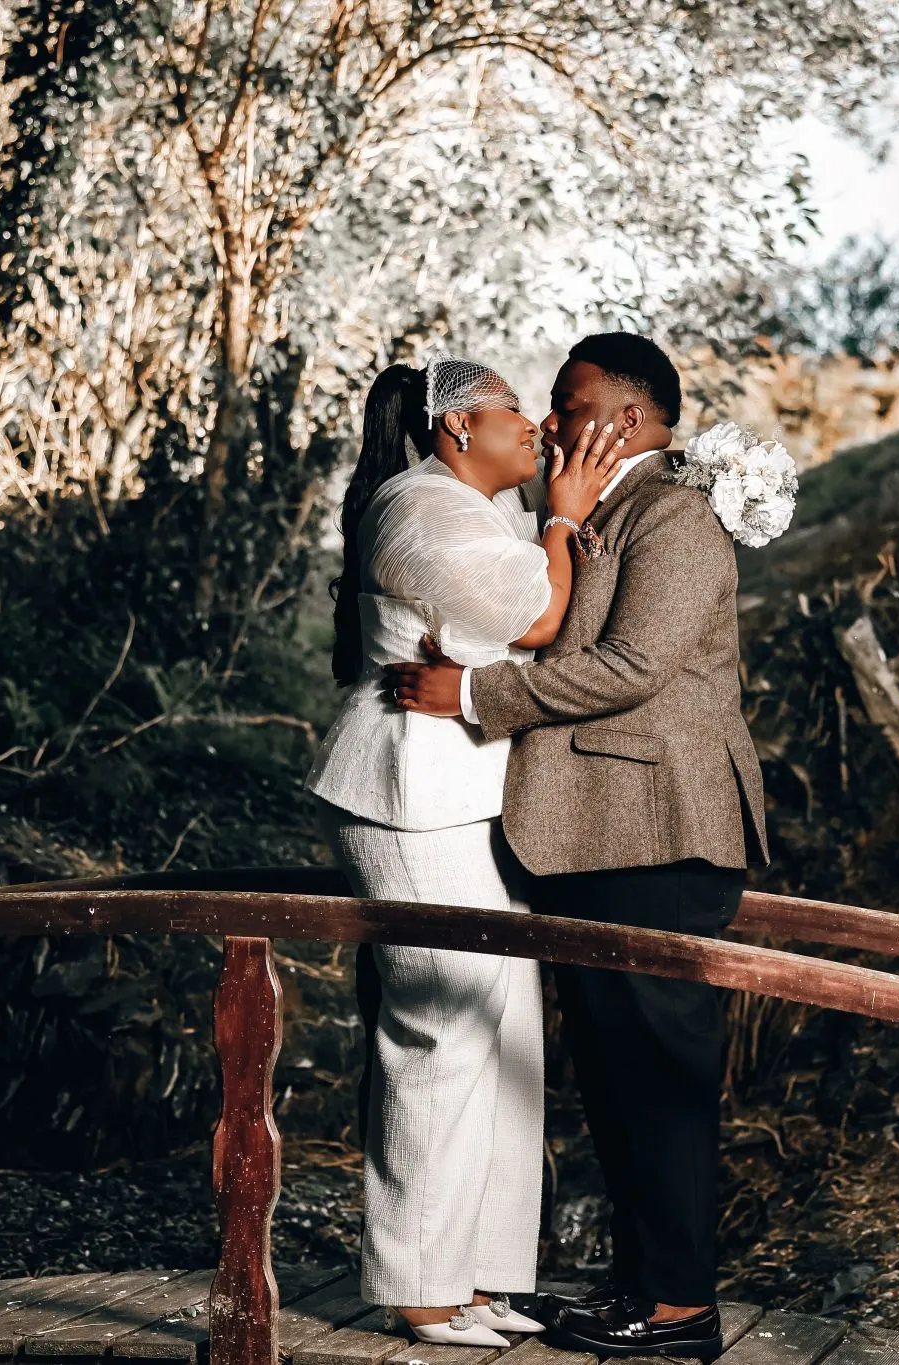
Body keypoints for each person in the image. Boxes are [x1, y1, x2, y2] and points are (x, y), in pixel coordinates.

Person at [385, 333, 770, 1360]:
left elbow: (633, 667)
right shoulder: (593, 511)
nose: (551, 421)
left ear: (631, 419)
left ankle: (682, 1309)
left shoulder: (675, 515)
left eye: (569, 401)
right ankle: (638, 1290)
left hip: (658, 829)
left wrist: (471, 695)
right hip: (591, 838)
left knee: (661, 1075)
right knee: (613, 1076)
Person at [306, 355, 628, 1347]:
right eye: (510, 415)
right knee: (439, 1025)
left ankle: (478, 1275)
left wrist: (541, 547)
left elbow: (518, 628)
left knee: (507, 1033)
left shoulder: (467, 511)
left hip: (469, 791)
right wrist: (564, 519)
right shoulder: (419, 506)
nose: (533, 427)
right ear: (456, 431)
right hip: (410, 794)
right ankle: (417, 1282)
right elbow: (535, 617)